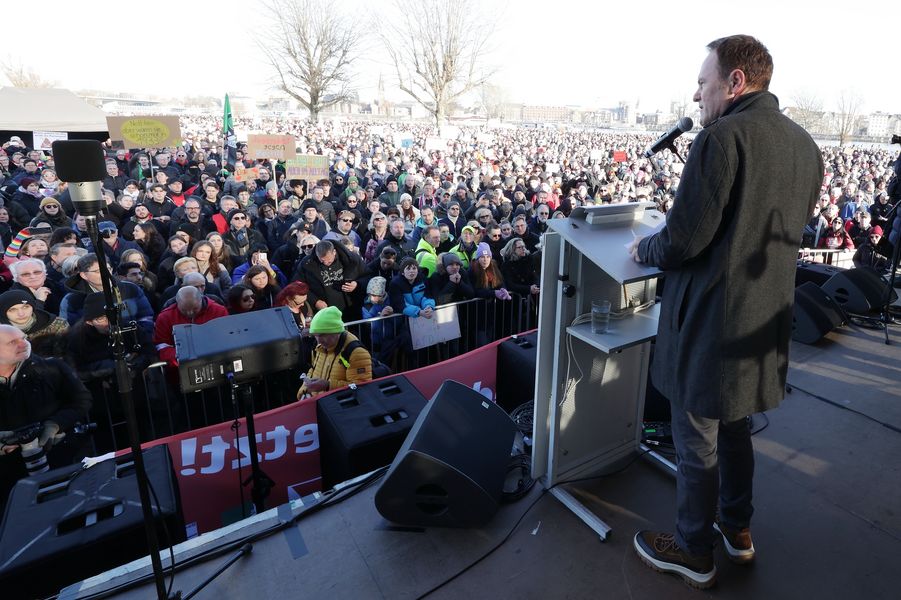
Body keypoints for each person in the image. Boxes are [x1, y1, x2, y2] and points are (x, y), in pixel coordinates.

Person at [627, 35, 823, 589]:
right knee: (735, 430)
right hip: (761, 324)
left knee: (696, 438)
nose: (696, 94)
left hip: (711, 324)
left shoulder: (721, 139)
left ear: (735, 82)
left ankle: (693, 550)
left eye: (703, 82)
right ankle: (737, 532)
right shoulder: (806, 145)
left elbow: (685, 240)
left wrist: (647, 248)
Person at [0, 325, 92, 513]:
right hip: (9, 479)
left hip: (61, 461)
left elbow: (81, 400)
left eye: (24, 338)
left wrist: (55, 424)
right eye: (12, 342)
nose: (23, 344)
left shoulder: (51, 367)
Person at [296, 306, 372, 399]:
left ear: (336, 331)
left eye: (323, 335)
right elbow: (312, 371)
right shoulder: (319, 346)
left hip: (340, 410)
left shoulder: (355, 352)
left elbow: (361, 388)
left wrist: (328, 385)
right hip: (321, 406)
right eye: (316, 335)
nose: (319, 341)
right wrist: (304, 393)